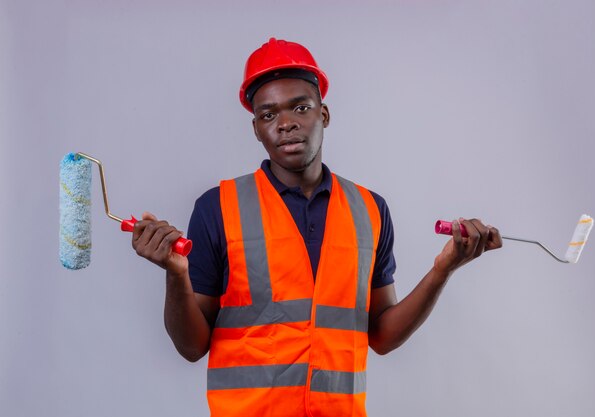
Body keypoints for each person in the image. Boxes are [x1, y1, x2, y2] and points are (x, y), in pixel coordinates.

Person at [132, 38, 502, 417]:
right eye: (268, 115)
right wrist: (176, 276)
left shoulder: (370, 210)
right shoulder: (217, 207)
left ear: (323, 115)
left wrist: (443, 270)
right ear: (256, 129)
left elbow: (383, 336)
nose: (286, 123)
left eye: (301, 107)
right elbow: (192, 347)